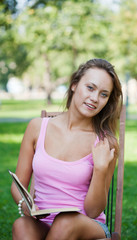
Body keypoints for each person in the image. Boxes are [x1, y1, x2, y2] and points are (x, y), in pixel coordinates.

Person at [11, 58, 123, 240]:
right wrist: (24, 205)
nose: (95, 98)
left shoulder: (105, 143)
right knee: (21, 225)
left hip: (86, 226)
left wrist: (101, 169)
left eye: (104, 94)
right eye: (90, 88)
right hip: (43, 223)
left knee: (65, 222)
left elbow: (94, 211)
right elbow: (18, 185)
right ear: (74, 85)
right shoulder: (37, 127)